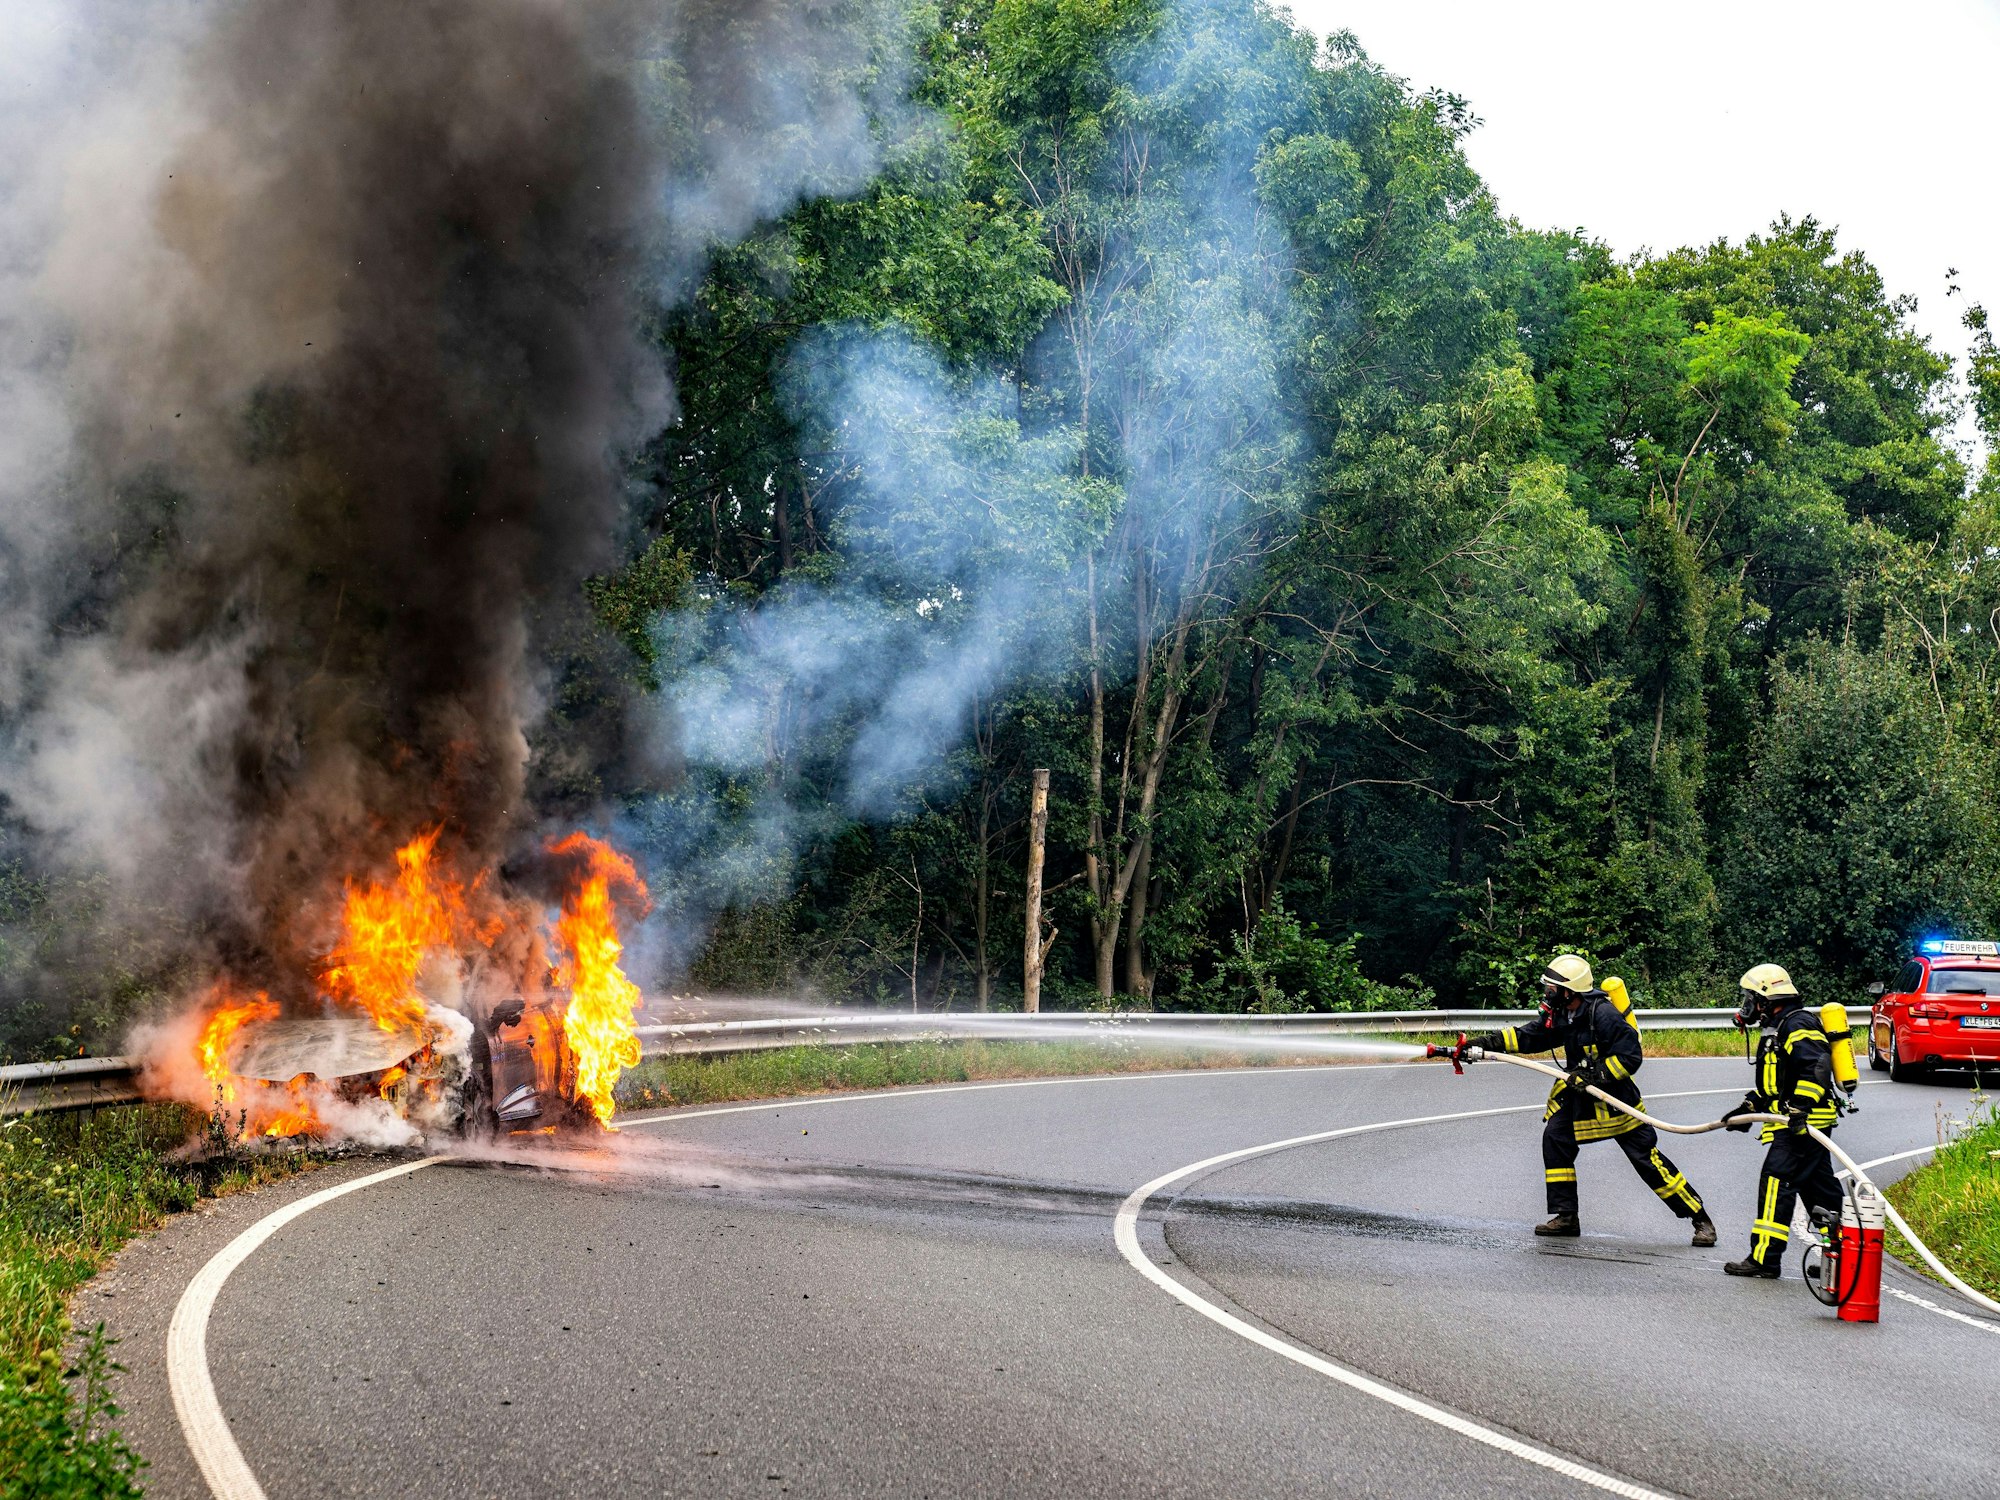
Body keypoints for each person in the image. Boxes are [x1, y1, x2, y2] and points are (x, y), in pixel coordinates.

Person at [1464, 954, 1717, 1244]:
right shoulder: (1562, 1014)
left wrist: (1596, 1077)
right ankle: (1566, 1217)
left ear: (1569, 991)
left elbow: (1630, 1056)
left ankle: (1700, 1218)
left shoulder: (1604, 1015)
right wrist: (1486, 1043)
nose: (1547, 994)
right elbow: (1532, 1036)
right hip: (1580, 1101)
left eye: (1552, 989)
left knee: (1647, 1161)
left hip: (1617, 1104)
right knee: (1555, 1138)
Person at [1720, 963, 1841, 1279]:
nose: (1747, 1005)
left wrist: (1800, 1109)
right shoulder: (1779, 1026)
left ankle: (1765, 1259)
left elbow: (1816, 1066)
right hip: (1798, 1120)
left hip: (1802, 1123)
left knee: (1776, 1181)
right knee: (1821, 1193)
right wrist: (1747, 1108)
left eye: (1750, 998)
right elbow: (1776, 1085)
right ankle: (1841, 1259)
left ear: (1764, 999)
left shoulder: (1797, 1024)